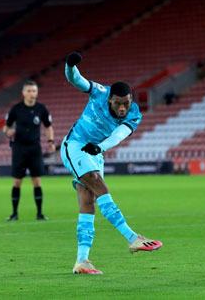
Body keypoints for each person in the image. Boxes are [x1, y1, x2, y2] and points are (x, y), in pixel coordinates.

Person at [61, 52, 162, 275]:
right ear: (110, 100)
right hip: (75, 145)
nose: (123, 108)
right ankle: (132, 237)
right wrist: (70, 66)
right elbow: (76, 80)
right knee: (99, 185)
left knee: (88, 202)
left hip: (95, 152)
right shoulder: (99, 92)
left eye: (126, 103)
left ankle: (82, 261)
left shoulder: (134, 114)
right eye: (118, 104)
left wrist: (101, 148)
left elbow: (119, 135)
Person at [3, 80, 55, 221]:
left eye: (34, 91)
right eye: (29, 91)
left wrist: (50, 141)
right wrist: (9, 132)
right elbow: (6, 128)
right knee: (17, 182)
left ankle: (39, 214)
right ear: (24, 93)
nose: (32, 93)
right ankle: (14, 213)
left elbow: (48, 126)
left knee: (37, 181)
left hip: (34, 149)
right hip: (19, 149)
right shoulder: (16, 109)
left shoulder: (41, 109)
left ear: (37, 93)